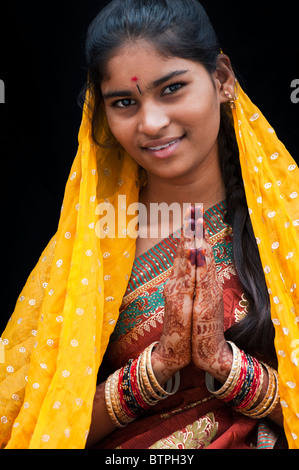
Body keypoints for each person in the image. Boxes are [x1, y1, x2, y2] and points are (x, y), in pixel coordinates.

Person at [0, 0, 298, 449]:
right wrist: (156, 368)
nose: (153, 122)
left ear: (222, 79)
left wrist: (229, 367)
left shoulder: (285, 224)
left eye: (172, 88)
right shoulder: (88, 249)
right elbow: (32, 424)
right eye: (125, 102)